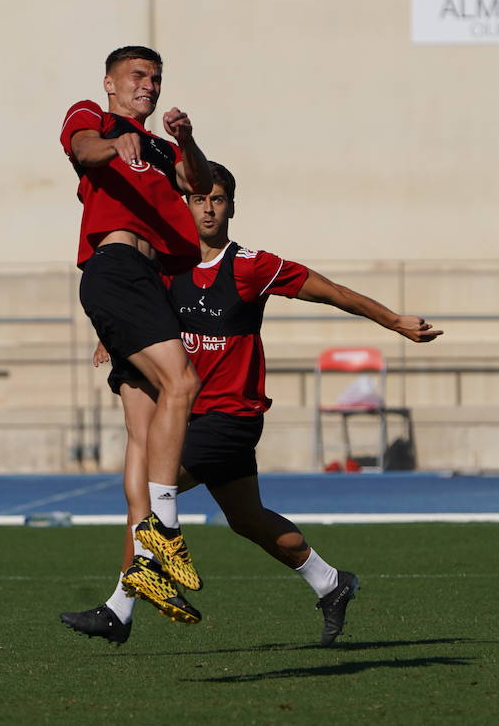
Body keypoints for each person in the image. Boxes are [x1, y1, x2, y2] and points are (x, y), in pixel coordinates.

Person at [61, 162, 442, 646]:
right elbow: (138, 320)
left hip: (231, 417)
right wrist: (109, 338)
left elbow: (334, 293)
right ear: (183, 204)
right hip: (192, 418)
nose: (208, 209)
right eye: (199, 199)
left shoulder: (250, 265)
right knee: (247, 519)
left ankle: (121, 608)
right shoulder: (165, 268)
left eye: (217, 199)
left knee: (150, 491)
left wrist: (393, 321)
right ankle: (331, 582)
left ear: (232, 207)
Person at [60, 46, 213, 618]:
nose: (147, 85)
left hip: (147, 291)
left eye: (155, 78)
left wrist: (188, 138)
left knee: (146, 435)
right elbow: (82, 149)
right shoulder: (94, 120)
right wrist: (112, 145)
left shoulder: (163, 147)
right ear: (110, 82)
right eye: (137, 76)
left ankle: (120, 606)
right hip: (119, 272)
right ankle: (164, 535)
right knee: (183, 385)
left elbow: (195, 182)